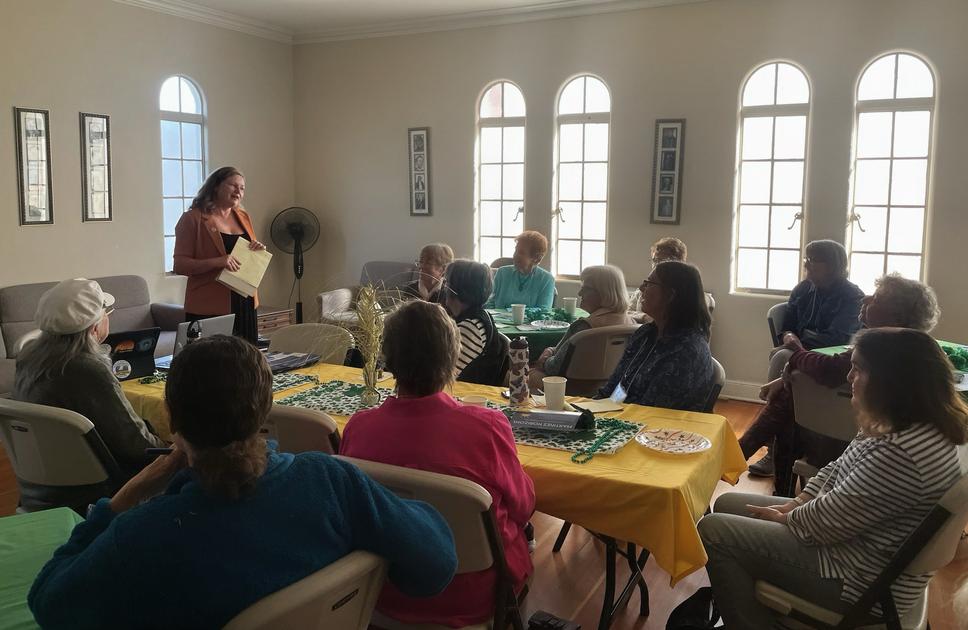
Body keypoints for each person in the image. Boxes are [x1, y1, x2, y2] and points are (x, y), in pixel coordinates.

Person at [28, 335, 457, 629]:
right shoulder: (330, 481)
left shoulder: (141, 537)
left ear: (170, 418)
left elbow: (49, 604)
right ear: (264, 412)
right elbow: (435, 565)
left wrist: (121, 502)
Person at [699, 327, 968, 628]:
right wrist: (798, 501)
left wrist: (789, 518)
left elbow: (827, 524)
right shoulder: (902, 423)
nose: (849, 376)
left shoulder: (903, 452)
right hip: (859, 551)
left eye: (858, 369)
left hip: (859, 580)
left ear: (890, 380)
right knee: (727, 505)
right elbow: (837, 467)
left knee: (714, 530)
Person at [341, 300, 535, 627]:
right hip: (472, 597)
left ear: (388, 359)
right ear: (452, 357)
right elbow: (524, 506)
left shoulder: (358, 428)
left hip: (381, 590)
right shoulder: (487, 427)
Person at [743, 274, 940, 483]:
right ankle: (745, 454)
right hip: (859, 432)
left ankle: (748, 458)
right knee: (789, 396)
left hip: (851, 441)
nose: (865, 299)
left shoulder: (881, 347)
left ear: (896, 318)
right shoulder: (909, 345)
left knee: (789, 404)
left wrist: (795, 353)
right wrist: (788, 374)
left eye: (876, 299)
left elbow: (830, 369)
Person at [13, 278, 166, 511]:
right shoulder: (87, 369)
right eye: (107, 313)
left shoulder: (28, 358)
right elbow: (136, 445)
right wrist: (168, 448)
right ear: (94, 327)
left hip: (39, 490)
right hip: (98, 492)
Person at [597, 261, 714, 411]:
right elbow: (616, 387)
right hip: (620, 414)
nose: (641, 288)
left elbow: (653, 410)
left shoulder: (686, 350)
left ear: (670, 295)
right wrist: (594, 408)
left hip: (654, 423)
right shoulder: (645, 334)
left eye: (649, 283)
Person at [173, 166, 267, 344]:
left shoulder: (243, 216)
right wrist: (218, 262)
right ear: (216, 186)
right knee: (213, 359)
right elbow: (180, 265)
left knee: (246, 358)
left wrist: (256, 248)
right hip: (210, 306)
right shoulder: (192, 219)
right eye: (233, 186)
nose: (238, 191)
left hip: (245, 302)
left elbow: (246, 252)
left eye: (242, 188)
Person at [769, 239, 864, 377]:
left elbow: (837, 339)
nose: (806, 264)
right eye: (806, 259)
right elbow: (787, 327)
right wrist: (788, 336)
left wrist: (797, 345)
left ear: (832, 265)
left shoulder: (852, 296)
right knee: (780, 355)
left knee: (781, 356)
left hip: (834, 356)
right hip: (801, 349)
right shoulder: (802, 289)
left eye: (812, 260)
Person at [529, 264, 634, 389]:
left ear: (604, 293)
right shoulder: (631, 323)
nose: (580, 293)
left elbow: (555, 368)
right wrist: (551, 351)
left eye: (586, 289)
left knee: (517, 375)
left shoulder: (585, 326)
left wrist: (544, 359)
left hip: (568, 389)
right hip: (611, 390)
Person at [444, 259, 507, 385]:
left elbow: (444, 376)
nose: (444, 287)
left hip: (467, 393)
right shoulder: (471, 317)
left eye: (447, 283)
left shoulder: (472, 327)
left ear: (455, 290)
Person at [486, 231, 555, 309]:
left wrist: (514, 312)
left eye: (521, 252)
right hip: (497, 317)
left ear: (536, 258)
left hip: (529, 318)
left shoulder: (546, 280)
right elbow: (489, 303)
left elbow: (543, 311)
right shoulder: (502, 273)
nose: (515, 255)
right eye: (516, 250)